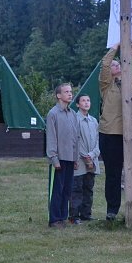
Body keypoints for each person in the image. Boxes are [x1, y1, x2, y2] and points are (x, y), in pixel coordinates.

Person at [98, 43, 132, 221]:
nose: (116, 65)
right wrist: (115, 48)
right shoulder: (106, 84)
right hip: (110, 133)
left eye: (118, 63)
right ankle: (112, 210)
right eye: (114, 64)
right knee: (113, 173)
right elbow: (105, 64)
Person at [45, 83, 79, 229]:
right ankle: (54, 219)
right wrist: (54, 158)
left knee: (67, 189)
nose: (70, 94)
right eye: (66, 92)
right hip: (59, 158)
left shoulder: (73, 114)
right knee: (57, 190)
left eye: (71, 91)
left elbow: (76, 137)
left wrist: (76, 158)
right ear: (59, 95)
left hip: (70, 158)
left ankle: (63, 217)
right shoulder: (53, 114)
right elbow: (51, 137)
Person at [69, 93, 100, 224]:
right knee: (77, 188)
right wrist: (85, 156)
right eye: (83, 101)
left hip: (92, 159)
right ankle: (74, 216)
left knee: (89, 188)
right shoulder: (74, 119)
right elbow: (76, 140)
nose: (86, 103)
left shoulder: (94, 121)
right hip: (79, 160)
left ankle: (86, 214)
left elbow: (97, 140)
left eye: (88, 100)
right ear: (77, 104)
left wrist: (92, 155)